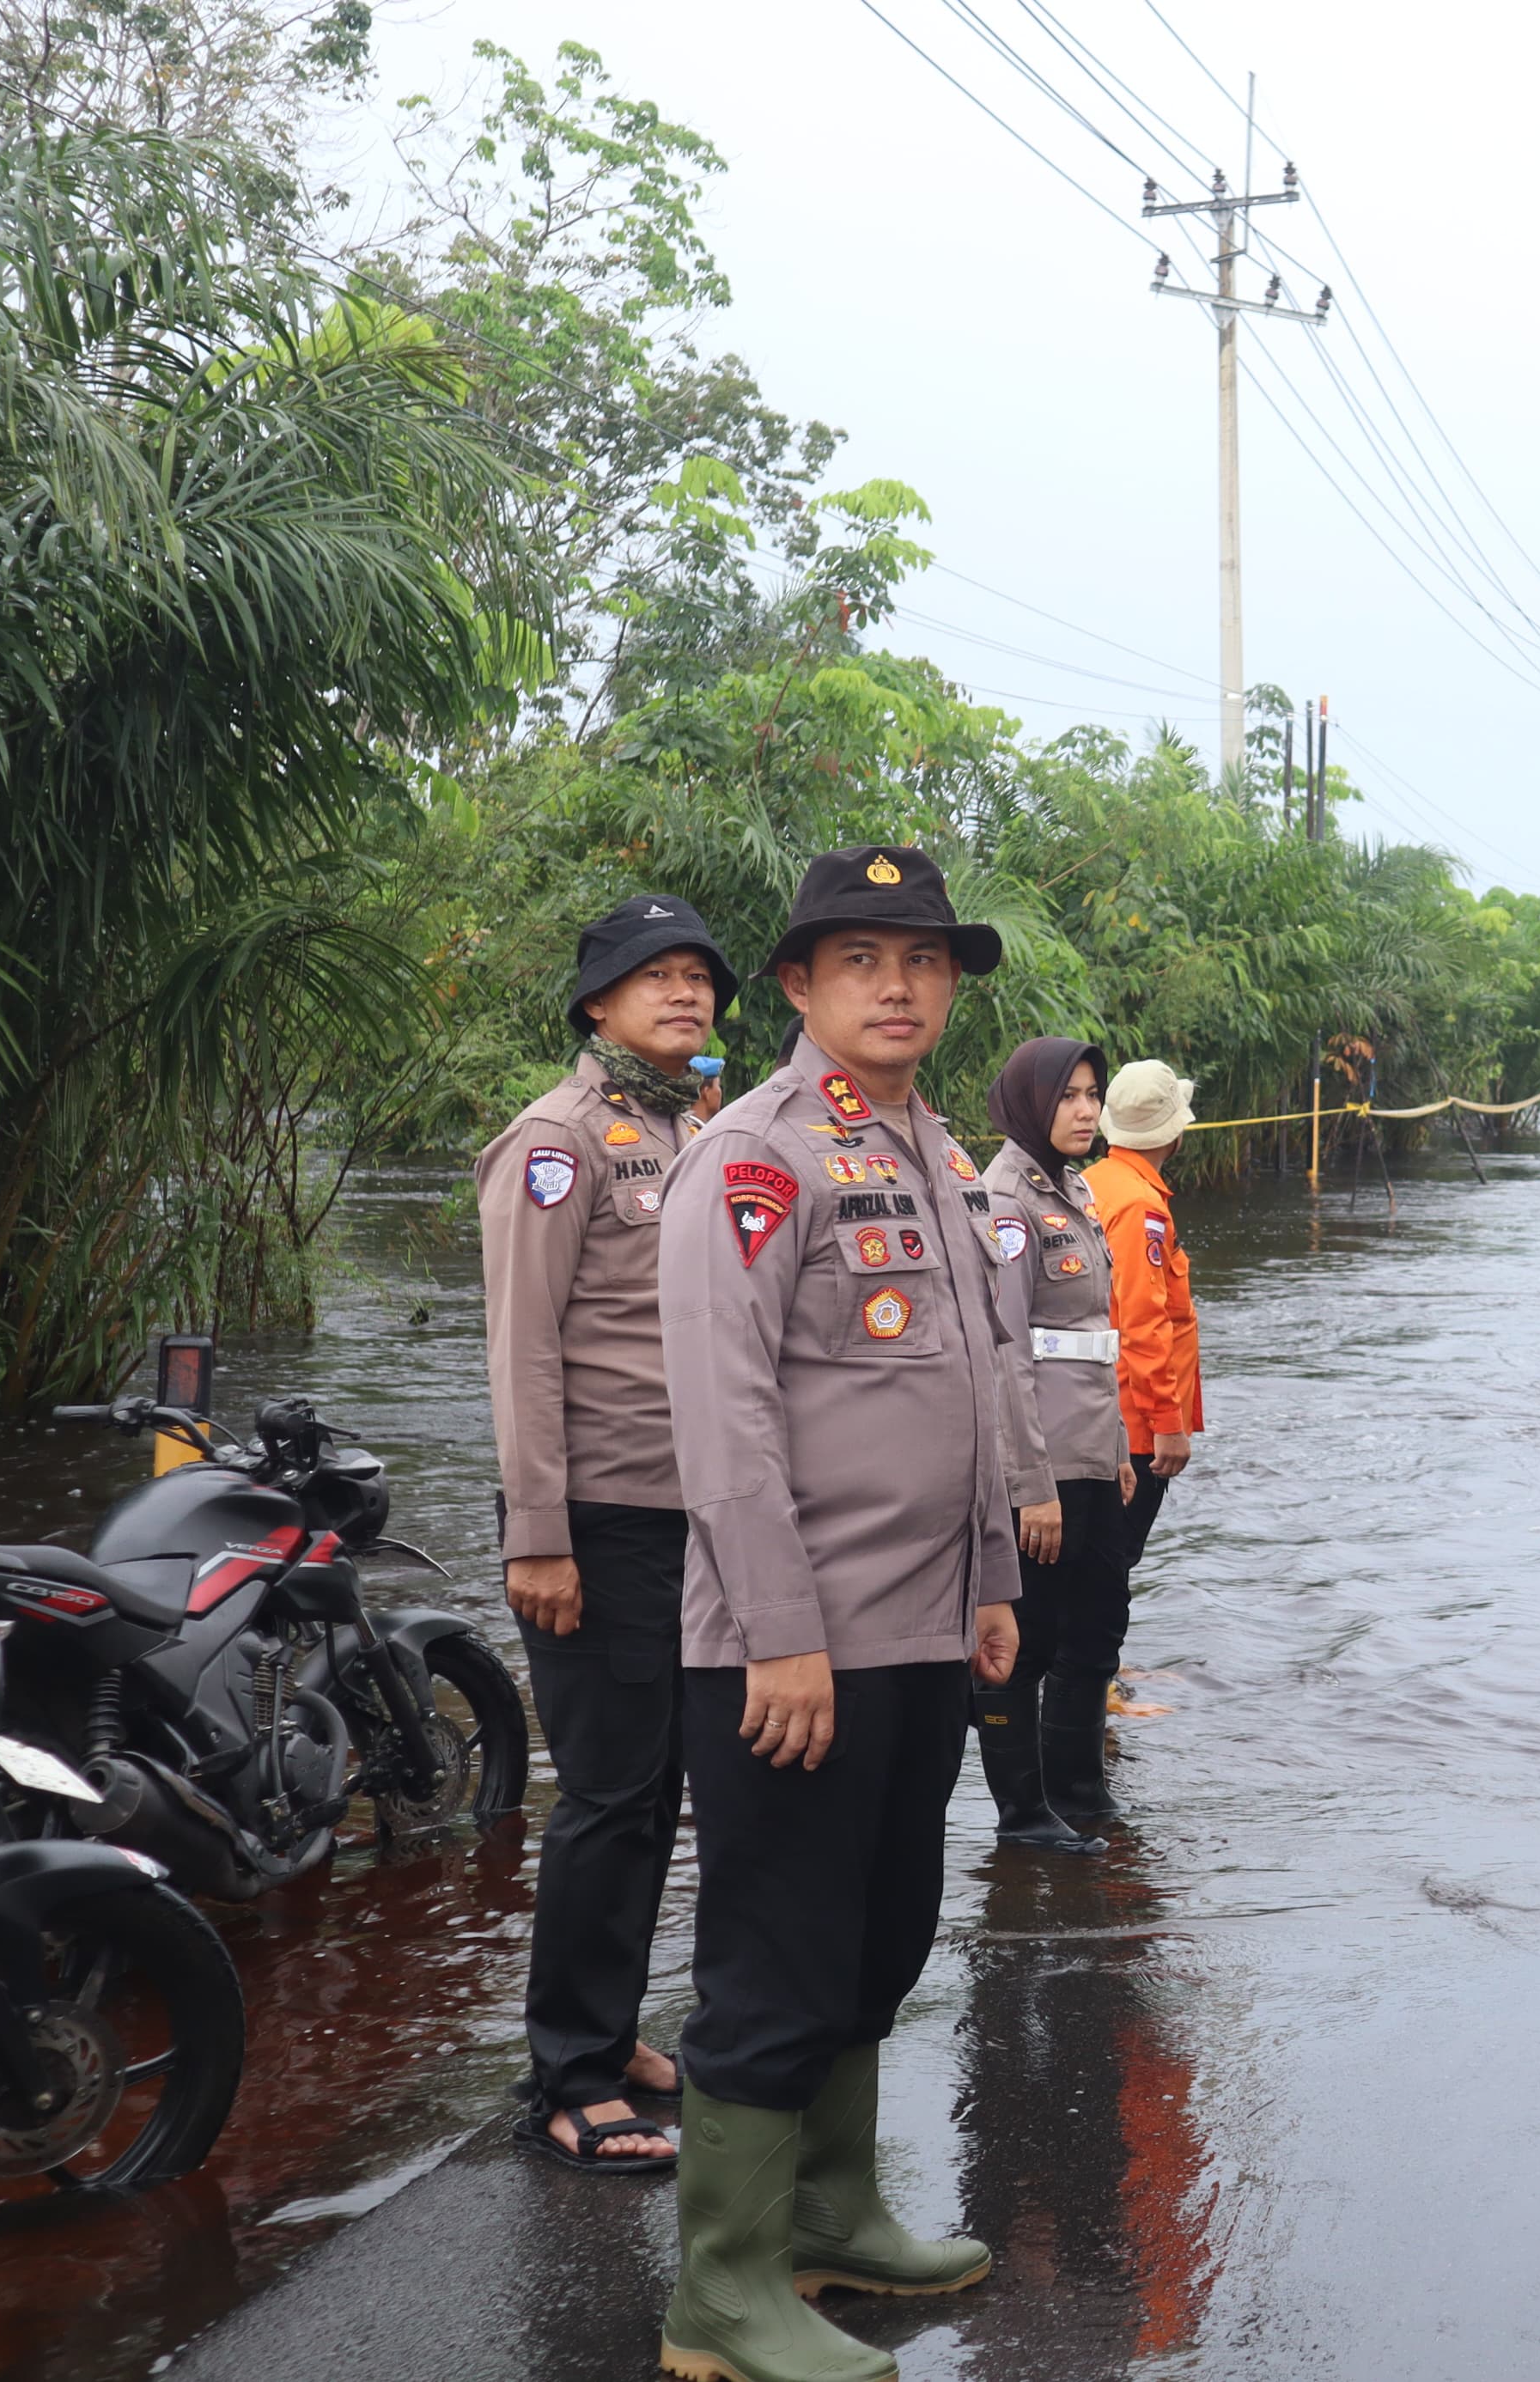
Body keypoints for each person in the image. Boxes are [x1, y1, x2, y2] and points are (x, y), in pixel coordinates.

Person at [654, 845, 1026, 2382]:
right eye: (862, 957)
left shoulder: (936, 1151)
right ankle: (721, 2293)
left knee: (878, 1934)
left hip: (926, 1631)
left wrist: (995, 1580)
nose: (901, 983)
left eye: (926, 959)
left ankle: (833, 2210)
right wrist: (779, 1631)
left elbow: (980, 1388)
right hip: (793, 1643)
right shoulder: (754, 1156)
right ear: (797, 982)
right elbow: (724, 1416)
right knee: (775, 1952)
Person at [477, 891, 737, 2178]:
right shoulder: (559, 1141)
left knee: (660, 1792)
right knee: (607, 1795)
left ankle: (615, 2032)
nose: (685, 994)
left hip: (696, 1517)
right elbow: (522, 1350)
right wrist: (539, 1535)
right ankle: (569, 2080)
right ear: (598, 1001)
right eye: (657, 976)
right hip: (598, 1517)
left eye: (699, 977)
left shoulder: (701, 1128)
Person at [971, 1038, 1136, 1854]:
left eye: (1092, 1095)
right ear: (1031, 1103)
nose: (1084, 1110)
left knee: (1100, 1624)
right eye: (1068, 1096)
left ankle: (1080, 1790)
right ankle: (1024, 1814)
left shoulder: (1074, 1190)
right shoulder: (1006, 1200)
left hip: (1091, 1453)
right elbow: (1005, 1350)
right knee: (1028, 1642)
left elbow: (1096, 1339)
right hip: (1039, 1466)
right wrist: (1028, 1482)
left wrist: (1119, 1448)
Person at [1086, 1057, 1204, 1767]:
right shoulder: (1141, 1205)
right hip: (1133, 1416)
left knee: (1105, 1553)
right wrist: (1169, 1421)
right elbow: (1145, 1319)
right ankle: (1099, 1686)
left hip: (1106, 1407)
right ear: (1175, 1131)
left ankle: (1105, 1672)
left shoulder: (1103, 1182)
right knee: (1114, 1557)